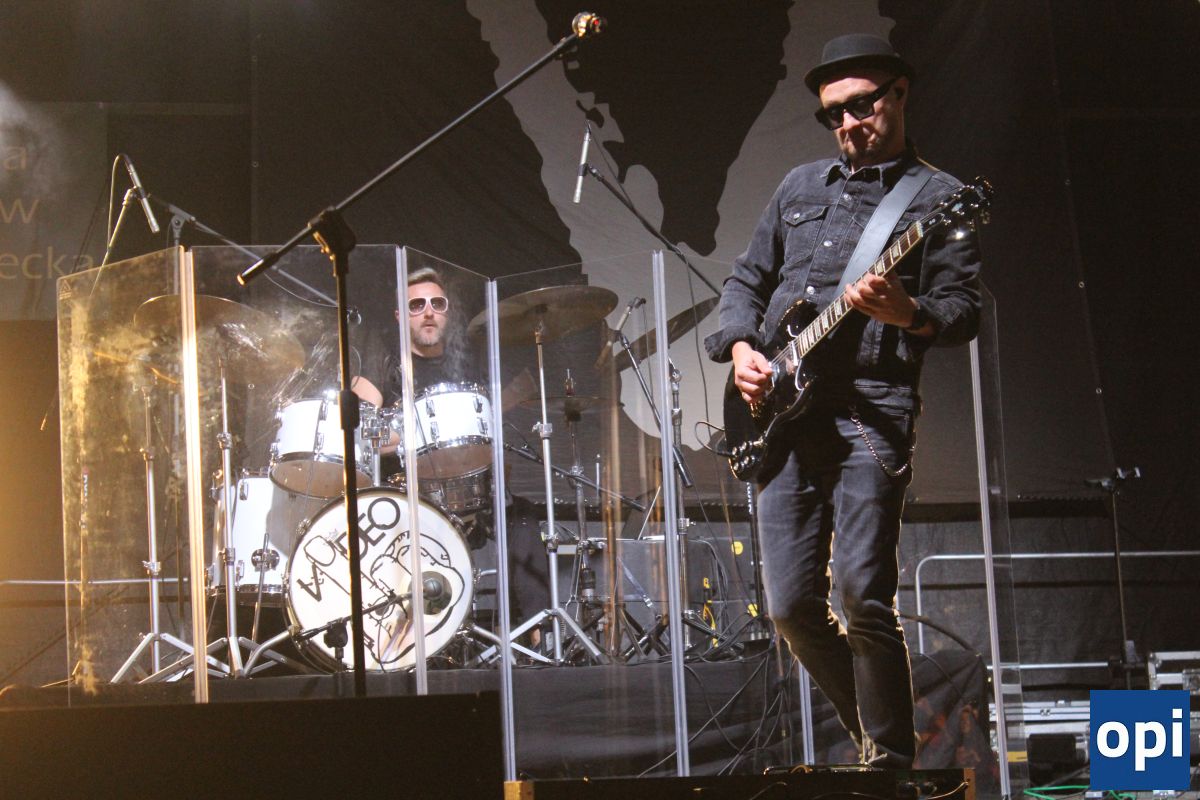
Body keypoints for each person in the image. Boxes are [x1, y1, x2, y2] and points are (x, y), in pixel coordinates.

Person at [704, 34, 982, 768]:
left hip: (870, 413)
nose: (849, 124)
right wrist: (742, 350)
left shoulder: (939, 197)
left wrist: (909, 313)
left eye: (861, 106)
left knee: (862, 595)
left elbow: (963, 308)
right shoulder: (799, 187)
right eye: (834, 114)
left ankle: (887, 760)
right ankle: (881, 732)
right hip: (781, 416)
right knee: (791, 608)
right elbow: (745, 282)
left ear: (899, 94)